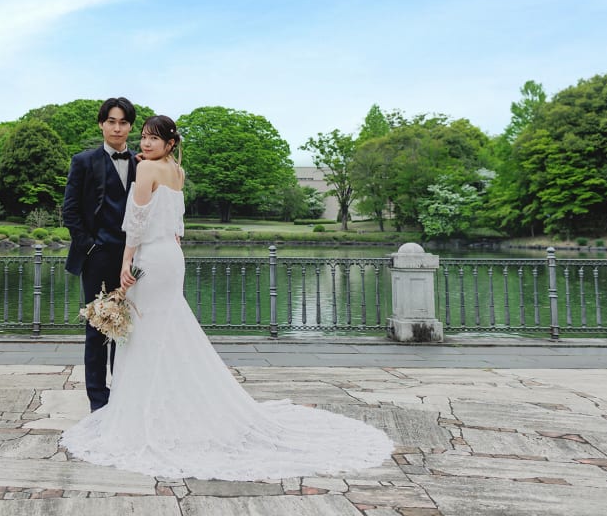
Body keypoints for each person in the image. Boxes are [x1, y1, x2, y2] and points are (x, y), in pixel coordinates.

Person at [61, 115, 393, 480]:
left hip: (149, 259)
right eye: (144, 137)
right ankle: (171, 402)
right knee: (164, 328)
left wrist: (127, 263)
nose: (146, 143)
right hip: (172, 258)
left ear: (170, 143)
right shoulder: (177, 171)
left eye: (154, 138)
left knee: (143, 333)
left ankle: (145, 410)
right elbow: (177, 226)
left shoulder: (145, 172)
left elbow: (136, 224)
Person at [62, 97, 138, 411]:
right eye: (111, 121)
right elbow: (70, 211)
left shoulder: (141, 162)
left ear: (131, 126)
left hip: (132, 261)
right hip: (97, 257)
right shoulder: (83, 161)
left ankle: (123, 392)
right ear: (101, 124)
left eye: (123, 122)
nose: (117, 128)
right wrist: (90, 246)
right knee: (97, 330)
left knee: (129, 329)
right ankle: (98, 400)